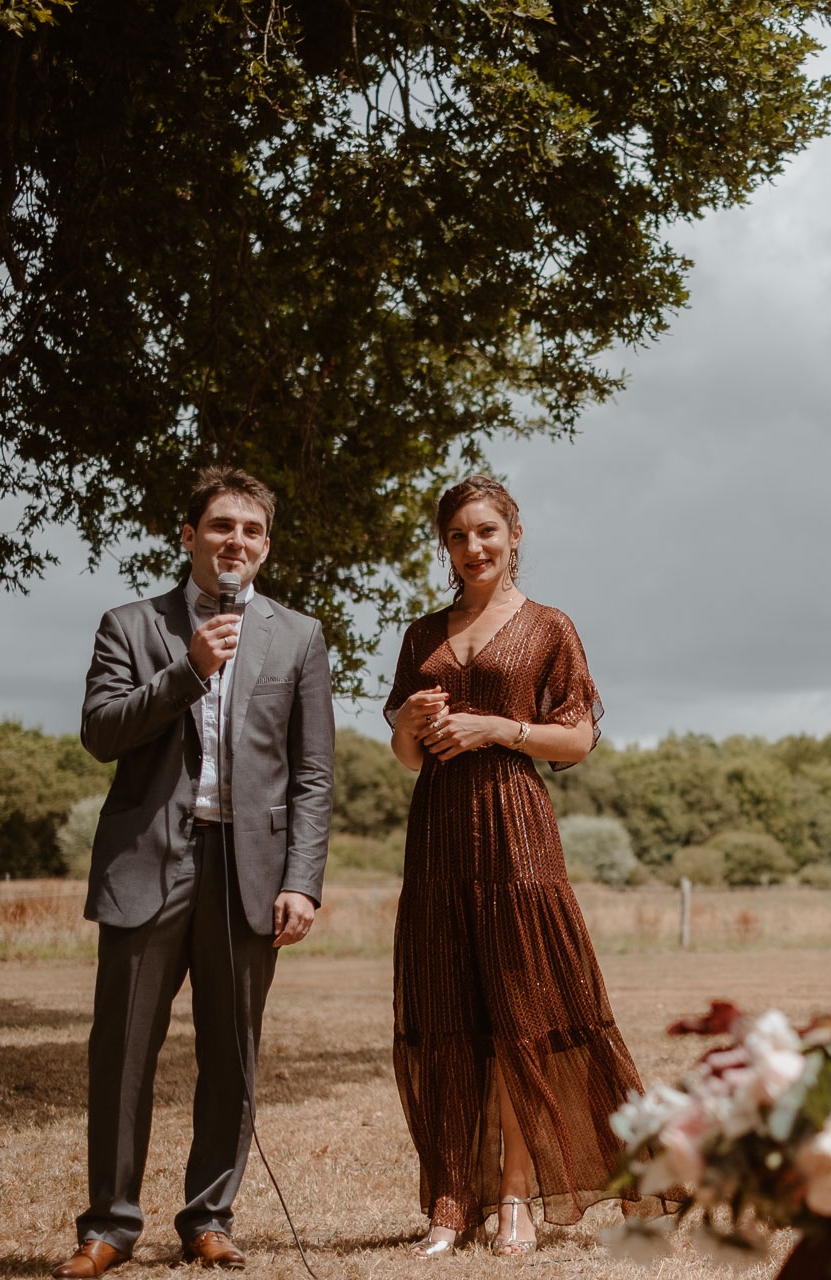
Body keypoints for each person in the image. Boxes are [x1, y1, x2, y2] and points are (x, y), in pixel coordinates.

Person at [59, 466, 334, 1277]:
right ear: (189, 536)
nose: (235, 542)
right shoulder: (130, 623)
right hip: (149, 861)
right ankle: (108, 1227)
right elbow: (101, 732)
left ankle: (209, 1217)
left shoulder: (299, 636)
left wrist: (302, 879)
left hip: (249, 871)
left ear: (266, 546)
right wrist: (187, 670)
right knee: (122, 1053)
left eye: (250, 530)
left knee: (233, 1055)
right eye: (220, 526)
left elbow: (313, 772)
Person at [384, 475, 646, 1258]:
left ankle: (517, 1200)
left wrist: (497, 726)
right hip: (438, 839)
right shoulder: (422, 634)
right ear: (446, 545)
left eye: (487, 532)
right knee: (449, 1018)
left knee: (521, 1015)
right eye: (459, 536)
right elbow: (404, 757)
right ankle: (450, 1201)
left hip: (516, 833)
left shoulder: (548, 627)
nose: (474, 549)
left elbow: (578, 740)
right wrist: (409, 720)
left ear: (515, 534)